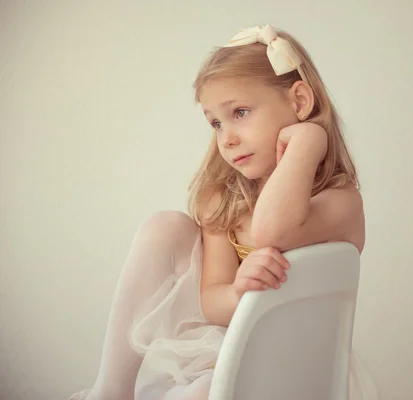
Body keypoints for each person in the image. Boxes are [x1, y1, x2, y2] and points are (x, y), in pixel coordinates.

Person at [70, 24, 378, 400]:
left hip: (299, 365)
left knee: (201, 393)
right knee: (165, 227)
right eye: (216, 123)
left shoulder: (340, 200)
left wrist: (308, 140)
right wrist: (237, 291)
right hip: (228, 350)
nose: (226, 138)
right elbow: (211, 300)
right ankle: (111, 391)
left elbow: (272, 232)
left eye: (241, 112)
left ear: (299, 102)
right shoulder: (225, 200)